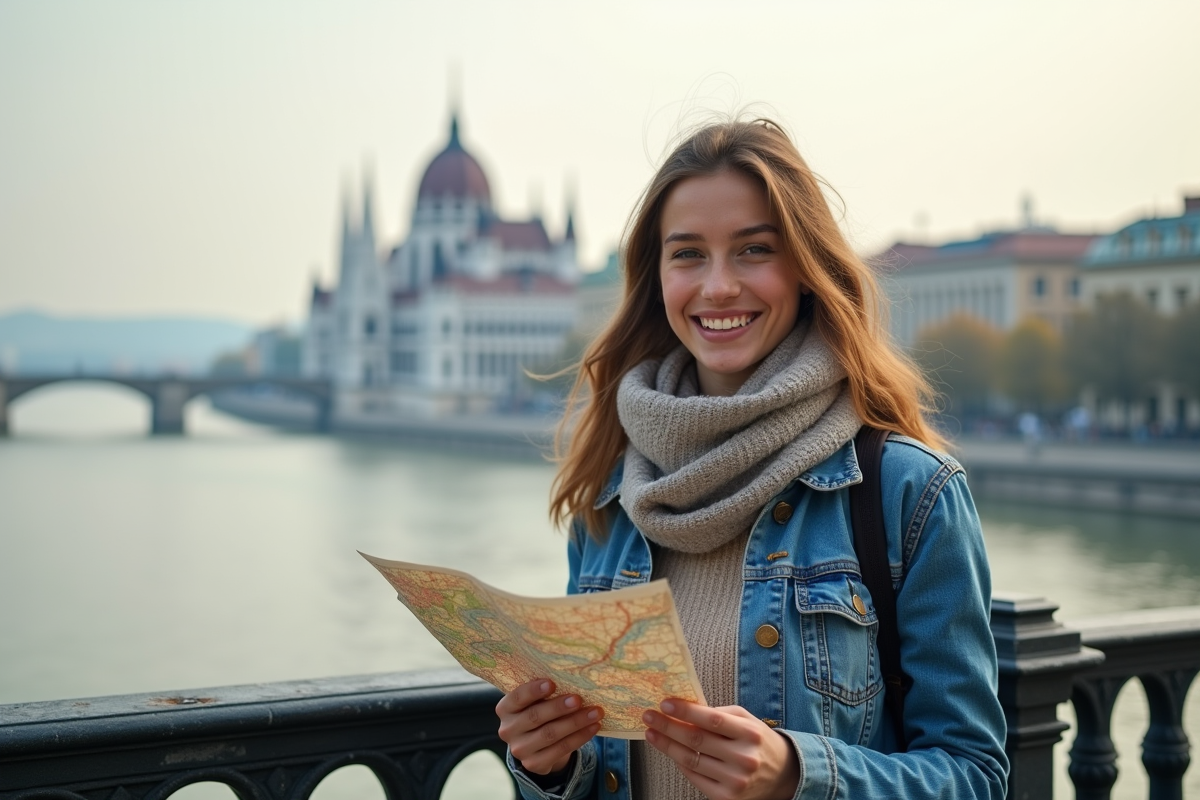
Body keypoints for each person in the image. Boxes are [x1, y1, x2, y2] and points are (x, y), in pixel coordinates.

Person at [496, 118, 1009, 800]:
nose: (717, 287)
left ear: (804, 268)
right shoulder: (610, 500)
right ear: (657, 279)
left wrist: (800, 776)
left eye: (752, 250)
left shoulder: (909, 491)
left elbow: (975, 776)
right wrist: (549, 767)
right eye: (687, 255)